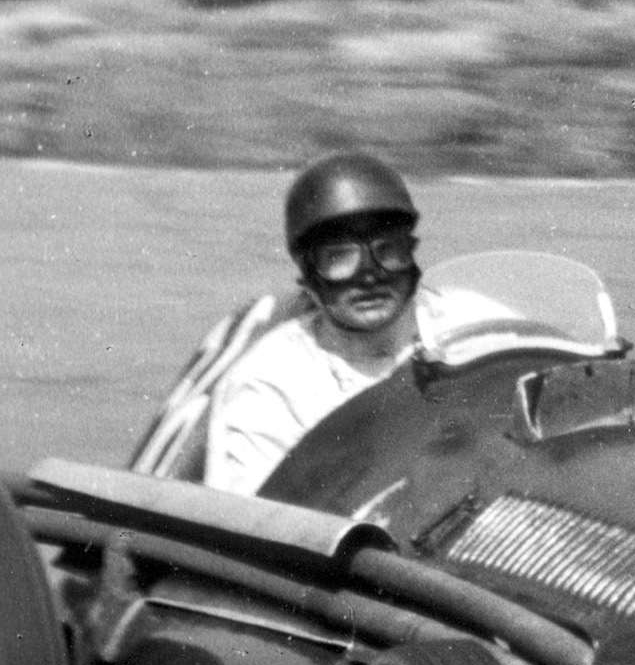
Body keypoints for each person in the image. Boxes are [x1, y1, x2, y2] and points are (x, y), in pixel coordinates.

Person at [131, 150, 424, 493]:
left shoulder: (463, 323)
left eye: (388, 250)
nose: (369, 275)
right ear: (308, 276)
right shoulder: (272, 380)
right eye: (340, 257)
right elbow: (263, 519)